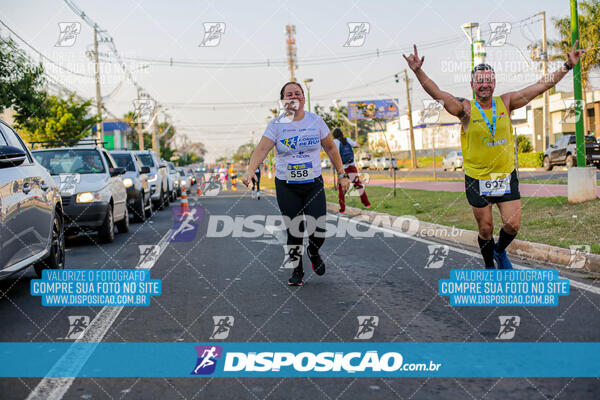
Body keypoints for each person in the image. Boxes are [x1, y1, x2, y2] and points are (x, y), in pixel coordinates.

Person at [403, 42, 585, 269]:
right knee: (486, 228)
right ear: (472, 85)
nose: (485, 85)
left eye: (488, 80)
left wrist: (567, 65)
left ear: (494, 82)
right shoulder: (465, 109)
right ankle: (489, 265)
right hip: (477, 178)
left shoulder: (506, 103)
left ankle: (499, 251)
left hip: (504, 174)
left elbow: (538, 87)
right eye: (480, 81)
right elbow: (438, 94)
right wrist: (418, 71)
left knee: (513, 225)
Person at [243, 81, 351, 286]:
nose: (294, 96)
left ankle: (313, 250)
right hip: (286, 184)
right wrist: (250, 171)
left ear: (303, 97)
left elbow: (330, 147)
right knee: (294, 228)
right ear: (284, 101)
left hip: (313, 183)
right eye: (289, 94)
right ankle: (297, 270)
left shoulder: (316, 121)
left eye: (298, 93)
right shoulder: (276, 125)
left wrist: (342, 173)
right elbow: (262, 149)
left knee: (318, 228)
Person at [332, 128, 371, 213]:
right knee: (358, 185)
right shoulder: (348, 139)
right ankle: (366, 204)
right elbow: (357, 145)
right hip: (352, 167)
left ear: (334, 135)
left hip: (342, 169)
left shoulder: (334, 142)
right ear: (342, 134)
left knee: (341, 189)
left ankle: (342, 210)